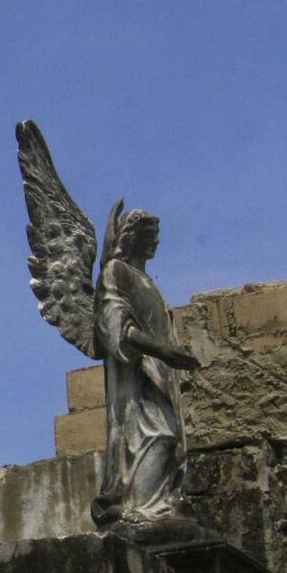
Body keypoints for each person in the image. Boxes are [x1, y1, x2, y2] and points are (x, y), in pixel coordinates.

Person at [92, 209, 199, 528]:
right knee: (155, 437)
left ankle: (157, 506)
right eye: (151, 235)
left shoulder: (146, 281)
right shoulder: (116, 271)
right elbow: (114, 324)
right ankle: (140, 511)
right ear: (133, 237)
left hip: (160, 375)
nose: (156, 241)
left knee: (168, 439)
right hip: (135, 377)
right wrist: (162, 350)